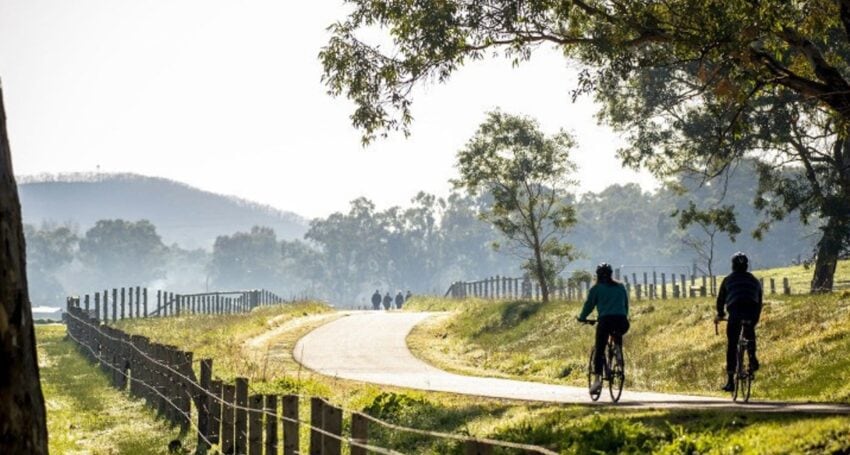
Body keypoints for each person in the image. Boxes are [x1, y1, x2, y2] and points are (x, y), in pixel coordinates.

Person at [577, 263, 630, 394]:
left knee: (600, 350)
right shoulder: (620, 286)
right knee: (617, 334)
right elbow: (626, 305)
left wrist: (582, 317)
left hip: (605, 321)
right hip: (622, 321)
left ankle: (596, 382)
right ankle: (617, 351)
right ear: (611, 274)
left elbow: (589, 305)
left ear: (598, 275)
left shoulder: (596, 289)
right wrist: (623, 316)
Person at [715, 252, 763, 392]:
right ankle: (752, 358)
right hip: (751, 309)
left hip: (735, 310)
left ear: (733, 266)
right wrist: (755, 319)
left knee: (732, 344)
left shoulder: (728, 280)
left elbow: (720, 300)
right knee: (749, 332)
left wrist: (720, 314)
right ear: (746, 266)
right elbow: (759, 302)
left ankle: (730, 381)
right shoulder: (754, 280)